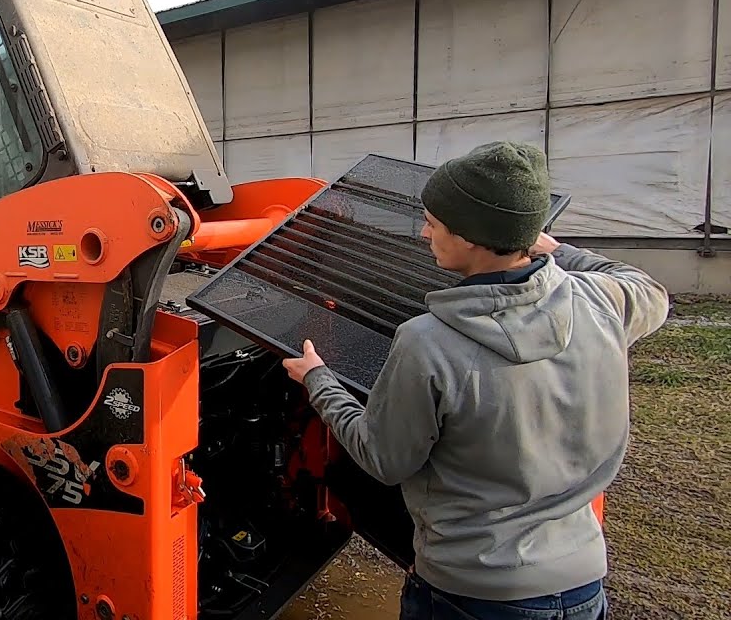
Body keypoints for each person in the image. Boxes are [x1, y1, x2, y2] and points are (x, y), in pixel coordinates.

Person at [282, 141, 670, 620]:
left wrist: (318, 380)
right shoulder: (601, 302)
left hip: (470, 595)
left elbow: (383, 459)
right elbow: (649, 288)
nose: (424, 233)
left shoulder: (430, 342)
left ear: (468, 237)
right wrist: (553, 249)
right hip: (583, 585)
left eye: (433, 223)